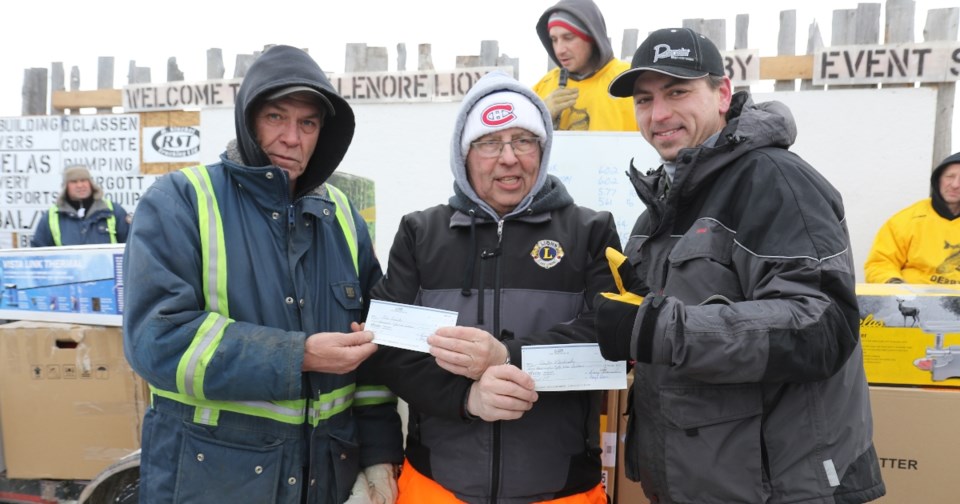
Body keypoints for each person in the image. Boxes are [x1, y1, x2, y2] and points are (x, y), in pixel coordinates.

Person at [594, 28, 885, 503]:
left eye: (678, 91)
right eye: (644, 100)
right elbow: (677, 326)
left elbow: (821, 326)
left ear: (723, 93)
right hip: (700, 483)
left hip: (780, 488)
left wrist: (657, 329)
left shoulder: (774, 181)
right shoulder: (661, 208)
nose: (659, 114)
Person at [122, 45, 403, 503]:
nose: (292, 137)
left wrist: (378, 455)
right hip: (214, 481)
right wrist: (299, 356)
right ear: (248, 119)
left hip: (326, 480)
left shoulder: (343, 216)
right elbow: (157, 342)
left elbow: (373, 352)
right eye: (276, 117)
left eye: (308, 123)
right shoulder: (182, 200)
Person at [365, 71, 620, 503]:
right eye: (489, 143)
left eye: (523, 140)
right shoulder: (421, 233)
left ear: (543, 151)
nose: (508, 158)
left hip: (562, 489)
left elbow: (612, 338)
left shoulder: (590, 231)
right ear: (463, 155)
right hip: (438, 486)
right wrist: (469, 398)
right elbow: (390, 349)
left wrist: (507, 357)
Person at [533, 0, 638, 132]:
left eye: (568, 37)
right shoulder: (543, 86)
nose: (559, 50)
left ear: (592, 37)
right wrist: (538, 116)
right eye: (554, 40)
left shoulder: (628, 80)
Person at [864, 152, 960, 284]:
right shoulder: (906, 220)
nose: (955, 185)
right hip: (915, 301)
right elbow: (880, 263)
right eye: (949, 176)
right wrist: (894, 285)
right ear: (938, 180)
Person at [30, 164, 130, 247]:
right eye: (74, 181)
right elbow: (38, 253)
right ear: (65, 186)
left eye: (83, 180)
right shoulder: (52, 216)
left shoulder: (113, 211)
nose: (80, 185)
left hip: (108, 270)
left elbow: (131, 246)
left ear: (91, 184)